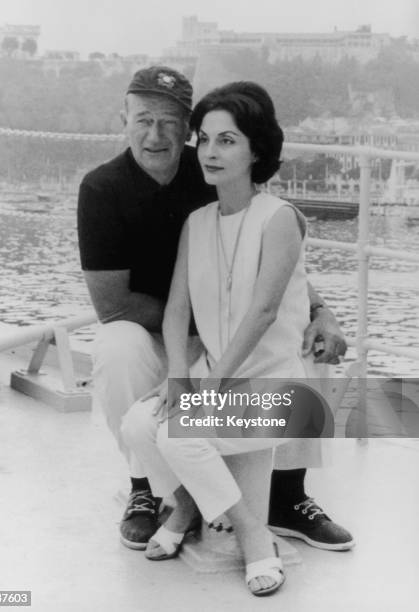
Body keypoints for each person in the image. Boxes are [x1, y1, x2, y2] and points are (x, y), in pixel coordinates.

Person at [77, 66, 352, 552]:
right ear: (123, 119)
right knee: (118, 351)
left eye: (170, 123)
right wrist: (192, 354)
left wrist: (321, 309)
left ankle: (287, 496)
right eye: (142, 120)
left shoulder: (211, 171)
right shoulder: (103, 190)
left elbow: (272, 270)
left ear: (187, 129)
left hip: (225, 333)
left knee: (305, 343)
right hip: (157, 327)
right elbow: (112, 304)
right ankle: (150, 491)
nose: (155, 135)